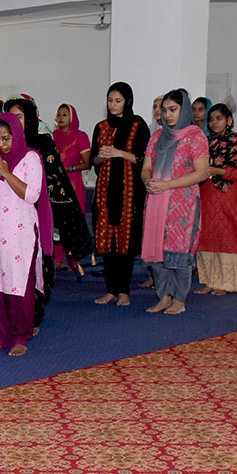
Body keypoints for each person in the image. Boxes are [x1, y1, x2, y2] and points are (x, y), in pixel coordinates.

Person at [6, 98, 93, 328]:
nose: (14, 122)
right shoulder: (3, 145)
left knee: (38, 266)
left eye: (19, 117)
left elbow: (56, 180)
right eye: (10, 117)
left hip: (38, 212)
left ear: (30, 118)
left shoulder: (42, 143)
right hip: (8, 215)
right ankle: (14, 314)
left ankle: (35, 315)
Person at [0, 114, 47, 356]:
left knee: (18, 286)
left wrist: (6, 173)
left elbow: (31, 195)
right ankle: (1, 335)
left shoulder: (31, 158)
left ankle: (20, 336)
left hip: (21, 232)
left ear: (17, 135)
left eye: (6, 139)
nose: (2, 145)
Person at [141, 89, 210, 315]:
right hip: (156, 201)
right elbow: (147, 168)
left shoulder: (195, 136)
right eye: (164, 110)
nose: (168, 115)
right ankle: (164, 296)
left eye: (173, 110)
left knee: (179, 252)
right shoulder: (157, 137)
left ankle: (179, 299)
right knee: (158, 250)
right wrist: (149, 181)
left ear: (184, 110)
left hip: (183, 203)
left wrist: (167, 185)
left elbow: (201, 173)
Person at [90, 82, 151, 306]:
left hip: (129, 193)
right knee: (107, 241)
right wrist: (102, 157)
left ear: (127, 101)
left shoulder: (137, 125)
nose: (113, 105)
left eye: (118, 101)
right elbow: (93, 162)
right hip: (106, 192)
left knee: (125, 242)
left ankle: (124, 290)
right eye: (110, 101)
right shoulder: (101, 126)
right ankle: (111, 289)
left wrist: (119, 153)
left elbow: (145, 159)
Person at [195, 103, 237, 296]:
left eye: (218, 118)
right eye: (211, 119)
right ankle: (209, 281)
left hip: (226, 192)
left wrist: (219, 171)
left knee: (224, 234)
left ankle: (226, 283)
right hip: (206, 192)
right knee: (206, 235)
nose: (214, 123)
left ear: (229, 120)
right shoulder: (205, 142)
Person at [51, 102, 92, 269]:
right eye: (59, 114)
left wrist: (67, 168)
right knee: (56, 223)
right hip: (56, 184)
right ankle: (58, 259)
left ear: (72, 117)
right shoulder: (53, 136)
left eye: (65, 114)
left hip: (74, 185)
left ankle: (73, 260)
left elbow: (87, 163)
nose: (61, 118)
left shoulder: (81, 136)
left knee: (73, 223)